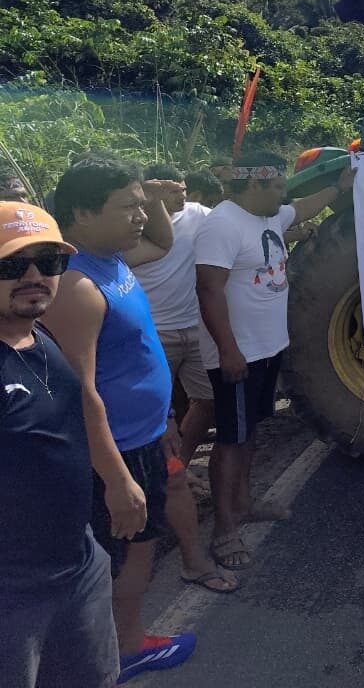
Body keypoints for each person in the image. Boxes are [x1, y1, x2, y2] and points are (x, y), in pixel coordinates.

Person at [40, 157, 198, 681]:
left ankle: (110, 645)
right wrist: (116, 479)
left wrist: (164, 418)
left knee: (135, 550)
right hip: (118, 452)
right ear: (83, 214)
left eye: (140, 206)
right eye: (127, 207)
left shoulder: (112, 258)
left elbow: (163, 242)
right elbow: (79, 393)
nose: (141, 216)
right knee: (129, 555)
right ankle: (124, 648)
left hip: (143, 437)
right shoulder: (77, 286)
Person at [195, 150, 353, 571]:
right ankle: (224, 530)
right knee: (231, 440)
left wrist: (338, 187)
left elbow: (301, 208)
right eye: (278, 186)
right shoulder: (223, 225)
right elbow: (209, 290)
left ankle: (244, 503)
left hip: (267, 348)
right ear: (253, 184)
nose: (284, 195)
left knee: (249, 433)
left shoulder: (267, 217)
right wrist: (228, 350)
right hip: (238, 353)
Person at [0, 203, 119, 688]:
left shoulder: (38, 334)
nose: (34, 276)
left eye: (49, 261)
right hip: (14, 596)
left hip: (78, 565)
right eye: (12, 265)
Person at [130, 164, 236, 594]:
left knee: (207, 402)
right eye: (169, 190)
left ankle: (180, 467)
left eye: (182, 189)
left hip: (196, 328)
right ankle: (164, 483)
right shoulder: (134, 229)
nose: (180, 196)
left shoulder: (200, 216)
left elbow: (236, 231)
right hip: (154, 334)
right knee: (160, 419)